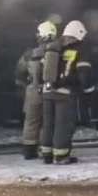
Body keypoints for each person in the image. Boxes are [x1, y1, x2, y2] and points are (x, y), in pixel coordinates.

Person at [39, 20, 91, 164]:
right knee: (63, 124)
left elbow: (40, 70)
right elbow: (83, 73)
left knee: (48, 124)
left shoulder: (53, 49)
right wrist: (83, 87)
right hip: (65, 93)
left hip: (47, 91)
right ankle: (61, 156)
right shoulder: (79, 50)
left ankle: (46, 154)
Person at [15, 21, 60, 159]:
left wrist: (24, 87)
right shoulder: (58, 50)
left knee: (31, 121)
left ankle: (29, 151)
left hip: (32, 90)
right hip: (52, 90)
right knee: (48, 121)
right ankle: (46, 148)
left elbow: (19, 71)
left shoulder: (29, 53)